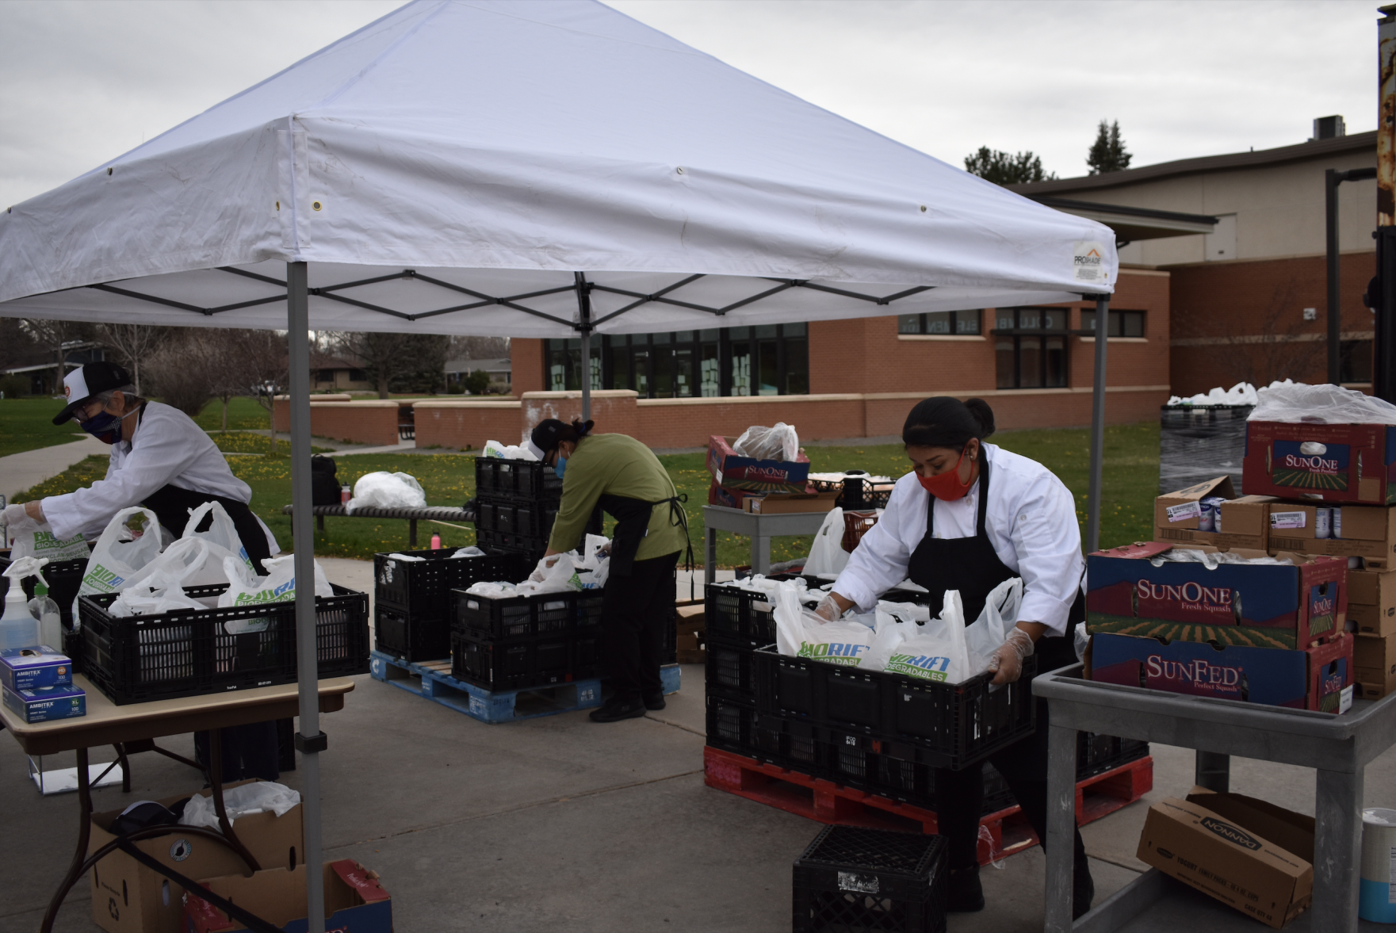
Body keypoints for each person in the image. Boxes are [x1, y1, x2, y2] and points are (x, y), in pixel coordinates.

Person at [816, 396, 1094, 919]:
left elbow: (1052, 576)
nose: (925, 477)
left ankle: (1074, 887)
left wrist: (1019, 643)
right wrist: (833, 605)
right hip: (961, 638)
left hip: (1035, 640)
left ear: (971, 449)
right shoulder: (910, 493)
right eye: (916, 466)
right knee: (952, 758)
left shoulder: (1029, 486)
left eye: (936, 466)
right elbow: (880, 556)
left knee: (1030, 763)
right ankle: (961, 881)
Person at [1, 360, 284, 781]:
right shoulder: (126, 444)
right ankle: (217, 760)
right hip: (193, 552)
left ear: (117, 400)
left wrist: (34, 508)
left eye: (85, 412)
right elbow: (117, 509)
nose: (83, 423)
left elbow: (122, 492)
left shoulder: (163, 427)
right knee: (211, 656)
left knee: (239, 659)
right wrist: (32, 527)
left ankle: (256, 771)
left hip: (231, 547)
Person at [527, 418, 690, 723]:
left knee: (619, 616)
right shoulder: (609, 441)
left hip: (649, 534)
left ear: (563, 447)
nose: (553, 468)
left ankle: (628, 697)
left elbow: (568, 522)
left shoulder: (580, 462)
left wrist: (542, 567)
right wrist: (619, 542)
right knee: (650, 617)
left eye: (550, 461)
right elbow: (641, 490)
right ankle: (651, 692)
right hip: (670, 530)